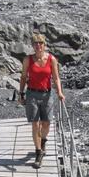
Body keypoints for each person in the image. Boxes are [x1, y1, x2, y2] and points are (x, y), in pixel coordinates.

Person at [19, 33, 65, 169]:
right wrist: (21, 93)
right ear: (33, 46)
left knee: (46, 123)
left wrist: (60, 92)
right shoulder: (28, 59)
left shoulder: (51, 59)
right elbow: (23, 77)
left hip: (47, 94)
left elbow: (56, 78)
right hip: (32, 94)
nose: (38, 45)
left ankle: (43, 141)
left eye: (40, 43)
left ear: (44, 45)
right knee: (35, 124)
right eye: (35, 43)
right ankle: (38, 152)